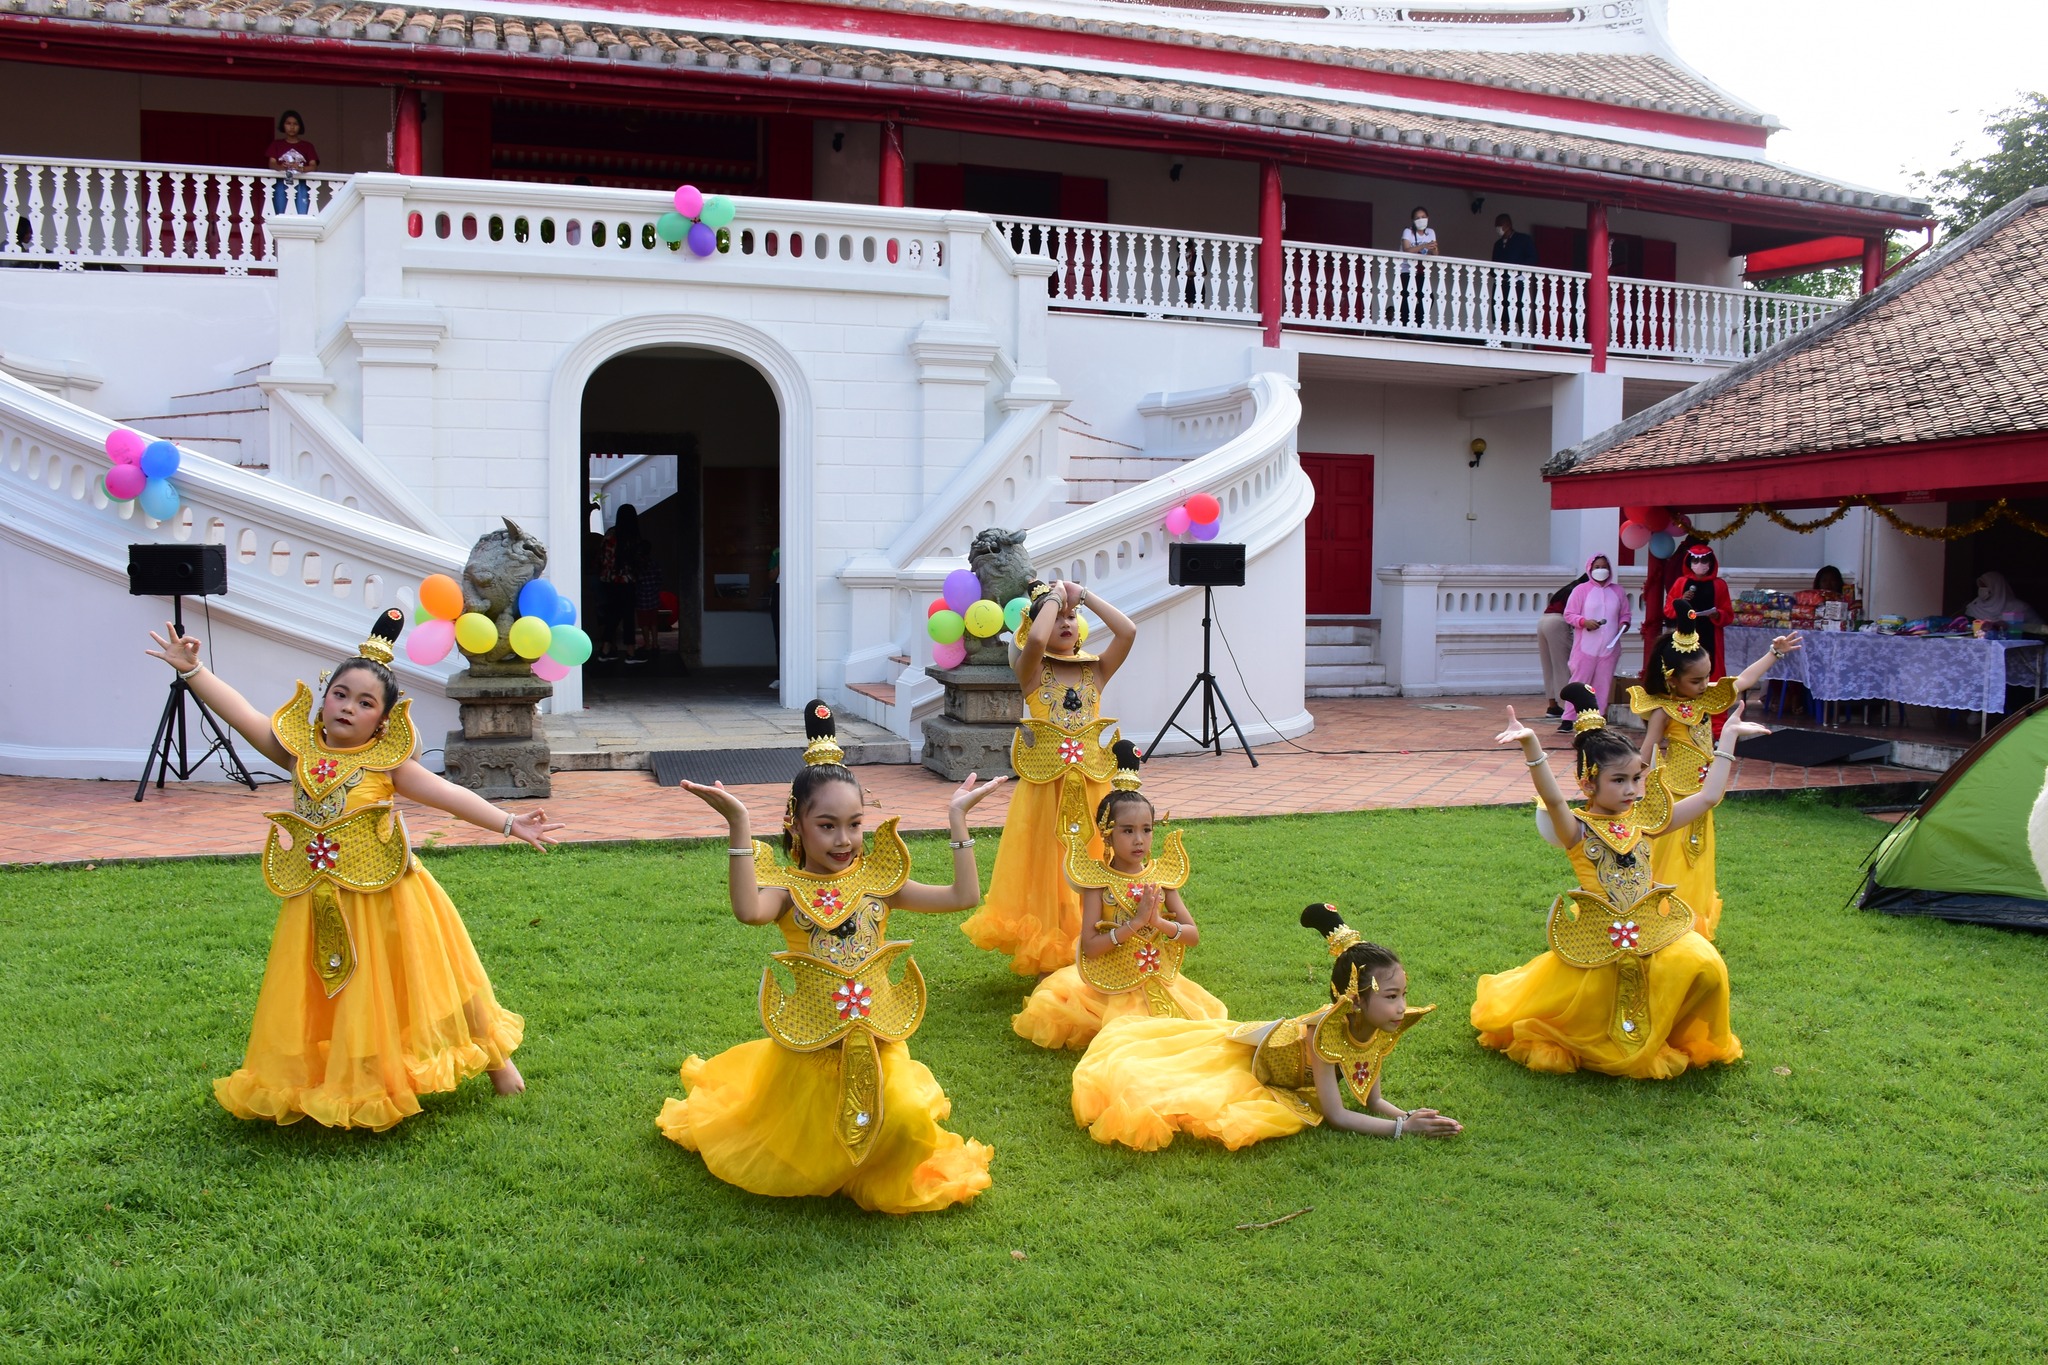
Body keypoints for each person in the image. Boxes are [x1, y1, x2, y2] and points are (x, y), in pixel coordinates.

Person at [143, 609, 554, 1129]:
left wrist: (510, 822)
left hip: (391, 894)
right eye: (340, 694)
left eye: (365, 703)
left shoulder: (388, 764)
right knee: (335, 988)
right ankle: (348, 1077)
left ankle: (496, 1059)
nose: (348, 707)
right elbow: (242, 713)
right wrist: (192, 671)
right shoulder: (297, 752)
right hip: (318, 897)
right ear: (323, 698)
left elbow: (449, 794)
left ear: (382, 721)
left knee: (437, 977)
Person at [661, 702, 1002, 1212]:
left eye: (855, 824)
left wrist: (958, 819)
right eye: (826, 825)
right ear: (796, 825)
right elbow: (748, 911)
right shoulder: (787, 890)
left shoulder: (878, 884)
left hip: (878, 1037)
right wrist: (738, 824)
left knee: (905, 1119)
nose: (844, 840)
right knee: (807, 1142)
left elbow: (962, 897)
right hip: (811, 1046)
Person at [1474, 684, 1765, 1079]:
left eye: (1636, 779)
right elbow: (1555, 800)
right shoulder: (1577, 830)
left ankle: (1676, 1031)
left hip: (1653, 929)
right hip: (1600, 938)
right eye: (1619, 780)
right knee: (1593, 1013)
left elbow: (1708, 798)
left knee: (1706, 964)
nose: (1631, 790)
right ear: (1589, 782)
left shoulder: (1645, 822)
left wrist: (1727, 737)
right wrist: (1531, 746)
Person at [1070, 904, 1461, 1150]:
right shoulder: (1323, 1034)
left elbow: (1372, 1101)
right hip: (1253, 1063)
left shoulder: (1377, 1028)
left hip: (1288, 1072)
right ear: (1355, 1000)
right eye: (1391, 996)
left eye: (1403, 994)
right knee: (1162, 1084)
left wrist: (1408, 1115)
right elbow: (1337, 1115)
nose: (1401, 1007)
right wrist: (1401, 1130)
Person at [961, 578, 1138, 976]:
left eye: (1072, 618)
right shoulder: (1032, 670)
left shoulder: (1096, 670)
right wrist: (1055, 598)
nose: (1066, 622)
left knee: (1095, 857)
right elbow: (1037, 641)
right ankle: (1051, 950)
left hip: (1092, 785)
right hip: (1046, 788)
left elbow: (1127, 631)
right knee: (1048, 868)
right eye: (1057, 617)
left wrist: (1083, 595)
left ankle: (1094, 939)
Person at [1011, 739, 1227, 1050]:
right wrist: (1135, 924)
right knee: (1128, 1035)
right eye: (1128, 830)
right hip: (1111, 985)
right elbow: (1090, 947)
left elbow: (1192, 935)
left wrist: (1159, 923)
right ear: (1107, 834)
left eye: (1147, 829)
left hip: (1158, 977)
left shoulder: (1163, 877)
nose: (1139, 840)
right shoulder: (1097, 882)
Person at [1630, 611, 1800, 940]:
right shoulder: (1663, 710)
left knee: (1696, 860)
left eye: (1706, 677)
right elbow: (1647, 751)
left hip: (1704, 793)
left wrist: (1774, 652)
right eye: (1696, 681)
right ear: (1671, 679)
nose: (1703, 685)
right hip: (1674, 796)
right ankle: (1660, 919)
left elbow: (1743, 681)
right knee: (1673, 859)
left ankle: (1691, 924)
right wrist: (1633, 786)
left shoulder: (1706, 697)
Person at [1560, 553, 1630, 731]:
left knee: (1603, 685)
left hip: (1609, 649)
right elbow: (1569, 614)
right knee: (1579, 682)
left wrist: (1624, 624)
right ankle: (1568, 718)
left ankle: (1596, 718)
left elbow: (1625, 614)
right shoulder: (1581, 590)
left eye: (1604, 566)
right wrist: (1584, 622)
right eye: (1597, 567)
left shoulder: (1618, 591)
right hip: (1585, 648)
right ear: (1590, 569)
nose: (1601, 570)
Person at [1664, 540, 1733, 677]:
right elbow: (1668, 610)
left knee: (1712, 667)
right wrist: (1681, 600)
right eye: (1695, 561)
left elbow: (1728, 614)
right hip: (1685, 632)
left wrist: (1717, 615)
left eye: (1704, 561)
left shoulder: (1719, 584)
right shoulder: (1681, 583)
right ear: (1689, 562)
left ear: (1710, 563)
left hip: (1711, 633)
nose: (1699, 564)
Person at [596, 503, 644, 663]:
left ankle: (605, 649)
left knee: (613, 615)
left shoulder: (610, 534)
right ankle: (630, 652)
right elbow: (637, 561)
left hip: (608, 581)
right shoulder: (632, 537)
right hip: (627, 581)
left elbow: (602, 558)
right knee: (628, 616)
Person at [1538, 569, 1588, 718]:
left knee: (1549, 666)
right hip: (1558, 623)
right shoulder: (1583, 590)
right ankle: (1569, 707)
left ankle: (1553, 706)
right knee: (1564, 665)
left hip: (1544, 621)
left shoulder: (1569, 588)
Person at [266, 111, 318, 215]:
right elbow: (271, 163)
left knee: (302, 213)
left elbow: (313, 166)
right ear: (283, 125)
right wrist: (281, 167)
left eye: (295, 124)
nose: (292, 127)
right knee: (280, 213)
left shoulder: (307, 146)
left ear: (300, 126)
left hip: (302, 183)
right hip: (281, 183)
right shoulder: (276, 144)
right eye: (288, 123)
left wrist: (301, 168)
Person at [1397, 205, 1438, 327]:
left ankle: (1418, 322)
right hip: (1406, 270)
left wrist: (1433, 248)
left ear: (1428, 218)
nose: (1421, 220)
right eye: (1417, 218)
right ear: (1413, 220)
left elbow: (1435, 253)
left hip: (1421, 271)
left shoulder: (1430, 232)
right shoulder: (1408, 232)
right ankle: (1405, 325)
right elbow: (1407, 249)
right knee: (1407, 297)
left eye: (1423, 217)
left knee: (1428, 297)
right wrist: (1423, 246)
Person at [1964, 570, 2042, 624]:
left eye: (1985, 586)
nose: (1982, 589)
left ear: (1997, 587)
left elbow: (2040, 628)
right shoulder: (1975, 605)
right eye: (1981, 586)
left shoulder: (2019, 607)